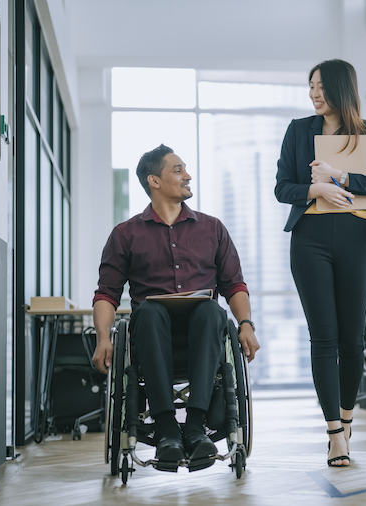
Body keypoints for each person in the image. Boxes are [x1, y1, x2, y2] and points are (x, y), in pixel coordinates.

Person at [91, 144, 260, 467]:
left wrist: (246, 325)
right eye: (178, 170)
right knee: (150, 311)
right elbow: (107, 294)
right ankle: (167, 429)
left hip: (204, 333)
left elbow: (234, 285)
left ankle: (195, 427)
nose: (188, 176)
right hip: (151, 335)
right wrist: (103, 338)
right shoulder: (125, 234)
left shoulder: (212, 228)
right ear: (154, 181)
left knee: (212, 309)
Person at [275, 59, 366, 467]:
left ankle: (347, 421)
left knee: (352, 338)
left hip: (356, 238)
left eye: (321, 87)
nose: (314, 94)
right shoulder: (298, 131)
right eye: (310, 86)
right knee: (323, 336)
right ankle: (333, 434)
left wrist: (341, 177)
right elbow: (282, 188)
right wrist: (317, 188)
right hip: (309, 239)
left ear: (342, 89)